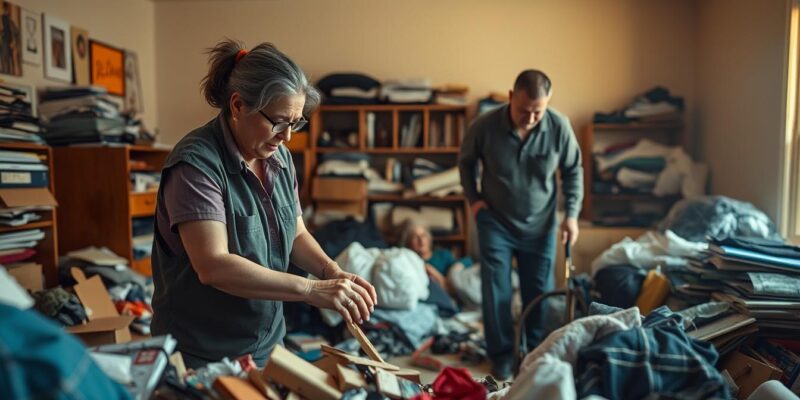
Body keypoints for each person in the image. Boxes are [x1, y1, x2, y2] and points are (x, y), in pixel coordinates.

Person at [150, 39, 377, 369]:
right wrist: (311, 289)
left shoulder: (278, 156)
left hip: (267, 342)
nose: (287, 137)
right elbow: (213, 265)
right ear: (238, 106)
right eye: (279, 121)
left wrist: (332, 272)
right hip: (202, 354)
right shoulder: (195, 165)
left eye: (296, 123)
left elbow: (295, 233)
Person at [458, 69, 583, 379]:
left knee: (537, 291)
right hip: (495, 223)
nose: (530, 118)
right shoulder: (484, 126)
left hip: (541, 226)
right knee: (496, 290)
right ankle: (501, 356)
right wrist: (474, 201)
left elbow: (573, 171)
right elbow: (466, 162)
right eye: (524, 110)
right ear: (511, 97)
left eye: (537, 112)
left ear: (548, 103)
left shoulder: (559, 126)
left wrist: (571, 215)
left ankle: (531, 351)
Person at [399, 220, 472, 294]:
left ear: (429, 238)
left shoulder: (442, 254)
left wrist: (456, 266)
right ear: (408, 242)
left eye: (423, 235)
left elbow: (468, 261)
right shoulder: (408, 262)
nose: (421, 240)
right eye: (415, 237)